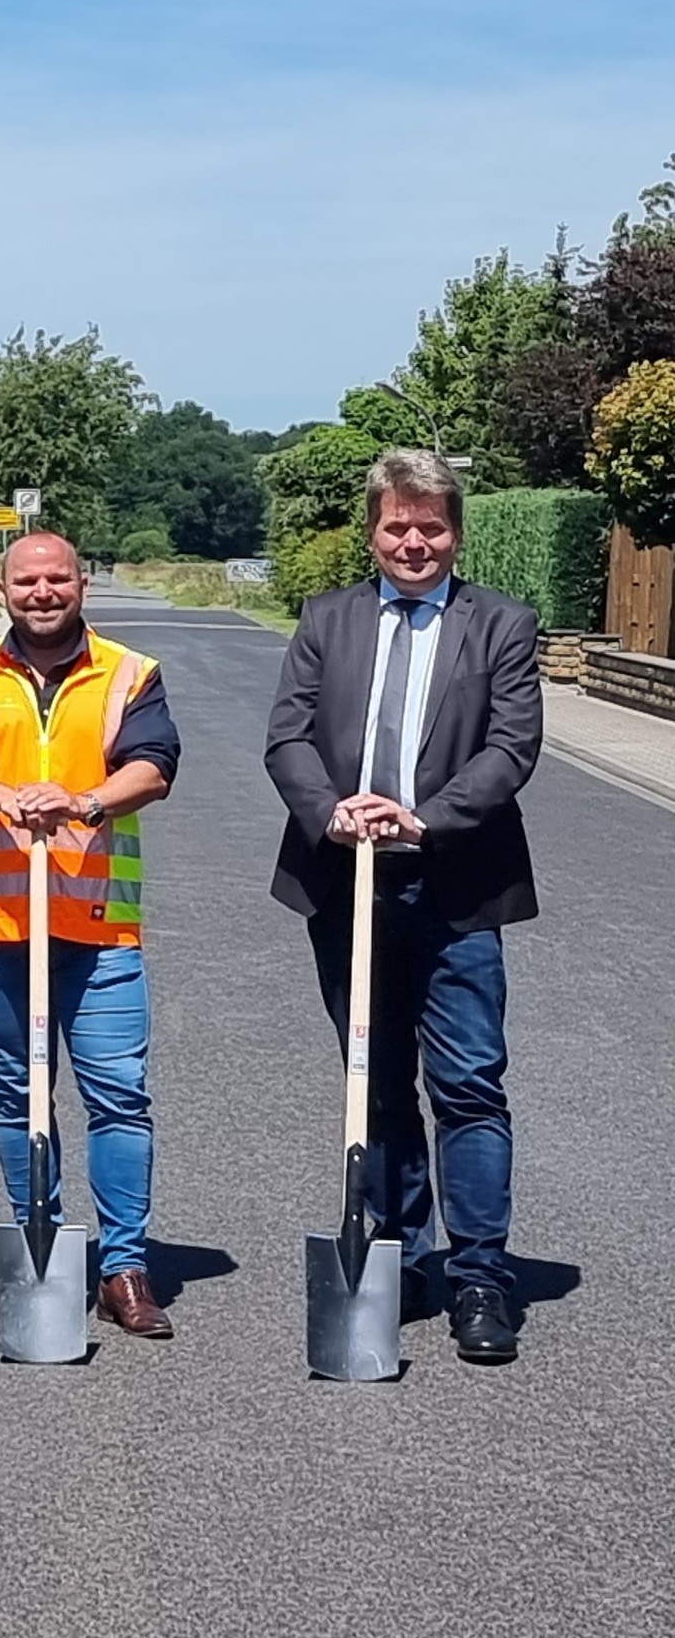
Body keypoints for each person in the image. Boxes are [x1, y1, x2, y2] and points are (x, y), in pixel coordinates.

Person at [264, 448, 541, 1365]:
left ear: (454, 532)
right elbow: (289, 737)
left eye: (431, 526)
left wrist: (421, 820)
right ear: (374, 532)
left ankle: (479, 1278)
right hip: (344, 879)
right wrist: (334, 810)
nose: (414, 542)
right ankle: (402, 1260)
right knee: (372, 1085)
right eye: (397, 526)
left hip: (455, 882)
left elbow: (510, 750)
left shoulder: (501, 623)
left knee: (467, 1085)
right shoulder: (326, 620)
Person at [0, 530, 181, 1338]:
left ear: (82, 585)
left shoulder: (130, 673)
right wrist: (7, 797)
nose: (43, 592)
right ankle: (44, 1244)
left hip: (99, 926)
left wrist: (85, 803)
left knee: (118, 1095)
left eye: (58, 578)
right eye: (27, 580)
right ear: (3, 591)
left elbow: (155, 764)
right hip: (0, 923)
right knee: (19, 1090)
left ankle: (124, 1268)